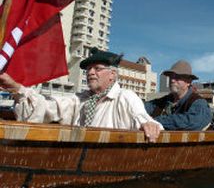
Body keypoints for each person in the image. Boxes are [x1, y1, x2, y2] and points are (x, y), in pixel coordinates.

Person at [0, 47, 162, 142]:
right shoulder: (81, 99)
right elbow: (47, 107)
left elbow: (144, 119)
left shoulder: (125, 96)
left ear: (112, 75)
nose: (90, 73)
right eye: (88, 69)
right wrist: (16, 89)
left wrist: (148, 125)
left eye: (97, 69)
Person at [145, 60, 212, 130]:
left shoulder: (198, 102)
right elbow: (141, 108)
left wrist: (154, 121)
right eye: (171, 77)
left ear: (188, 82)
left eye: (177, 77)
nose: (172, 80)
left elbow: (193, 121)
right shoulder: (164, 101)